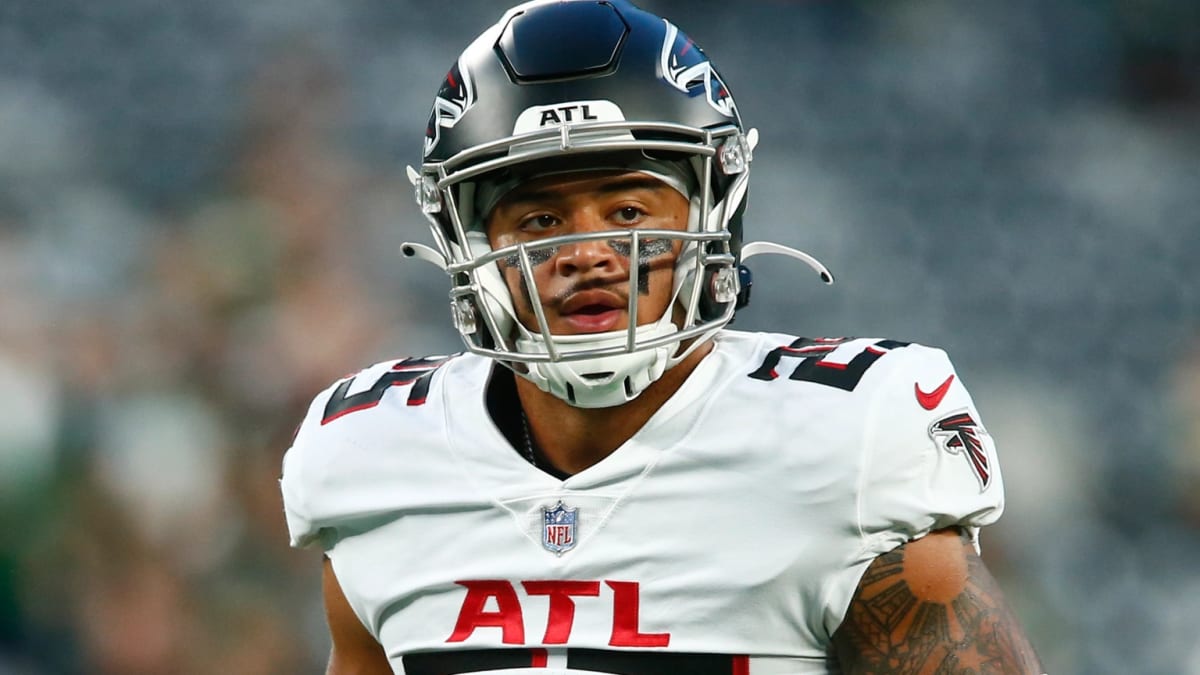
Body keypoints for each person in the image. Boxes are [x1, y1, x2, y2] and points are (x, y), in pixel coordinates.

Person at [280, 1, 1045, 673]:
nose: (585, 252)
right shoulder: (372, 456)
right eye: (541, 219)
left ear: (712, 213)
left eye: (629, 211)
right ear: (469, 245)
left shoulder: (844, 440)